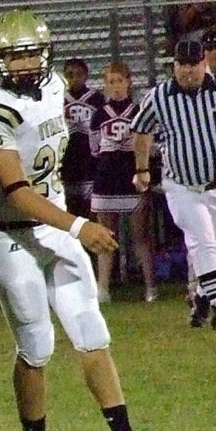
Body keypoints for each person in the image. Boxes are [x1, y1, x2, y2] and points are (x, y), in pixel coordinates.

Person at [0, 9, 165, 431]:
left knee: (91, 330)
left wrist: (68, 225)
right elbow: (17, 191)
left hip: (56, 224)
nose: (26, 64)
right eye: (14, 56)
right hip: (9, 235)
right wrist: (78, 226)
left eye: (32, 53)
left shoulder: (53, 88)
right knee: (37, 341)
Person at [131, 38, 216, 329]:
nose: (188, 71)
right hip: (181, 185)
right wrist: (142, 168)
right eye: (182, 65)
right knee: (203, 241)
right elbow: (141, 131)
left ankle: (200, 296)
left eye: (193, 64)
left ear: (204, 63)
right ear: (174, 66)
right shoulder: (159, 97)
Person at [89, 62, 157, 304]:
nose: (116, 87)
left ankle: (150, 286)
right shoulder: (98, 114)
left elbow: (148, 144)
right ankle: (102, 288)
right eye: (111, 82)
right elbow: (94, 148)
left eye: (120, 81)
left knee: (141, 235)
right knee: (104, 234)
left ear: (129, 82)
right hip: (106, 178)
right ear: (105, 86)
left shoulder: (139, 110)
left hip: (132, 174)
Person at [60, 59, 104, 242]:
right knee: (68, 214)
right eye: (69, 75)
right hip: (66, 163)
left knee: (91, 214)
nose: (74, 79)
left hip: (89, 163)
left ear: (86, 75)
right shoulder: (58, 99)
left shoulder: (97, 99)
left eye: (78, 74)